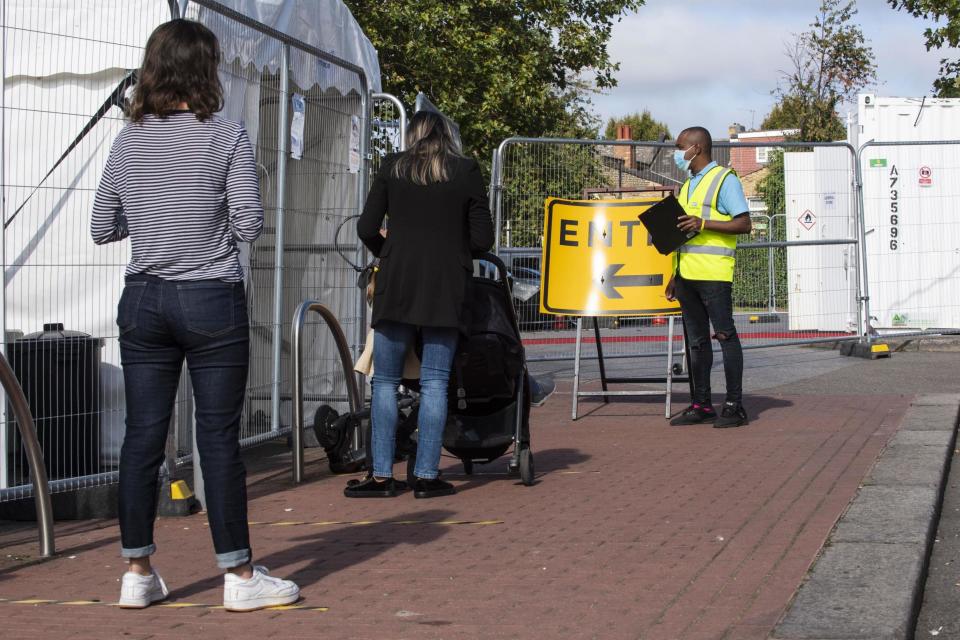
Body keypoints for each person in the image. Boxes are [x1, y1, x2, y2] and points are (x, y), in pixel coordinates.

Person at [91, 19, 299, 611]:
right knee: (218, 438)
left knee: (142, 437)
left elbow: (102, 227)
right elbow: (249, 223)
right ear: (206, 70)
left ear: (153, 68)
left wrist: (152, 223)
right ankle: (237, 575)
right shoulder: (226, 134)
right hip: (211, 299)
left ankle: (137, 570)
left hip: (145, 298)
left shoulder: (128, 140)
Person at [347, 111, 494, 499]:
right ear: (448, 135)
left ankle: (381, 476)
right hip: (446, 287)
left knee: (385, 382)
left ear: (410, 135)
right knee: (434, 382)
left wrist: (389, 252)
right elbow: (483, 239)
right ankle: (427, 475)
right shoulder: (465, 170)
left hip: (397, 283)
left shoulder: (392, 167)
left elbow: (365, 227)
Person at [665, 126, 751, 428]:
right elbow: (684, 232)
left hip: (714, 275)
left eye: (679, 147)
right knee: (696, 344)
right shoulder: (688, 184)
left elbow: (744, 224)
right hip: (687, 274)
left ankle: (734, 405)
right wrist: (675, 273)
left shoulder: (724, 179)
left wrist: (703, 223)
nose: (676, 154)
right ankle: (701, 404)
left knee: (726, 337)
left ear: (696, 148)